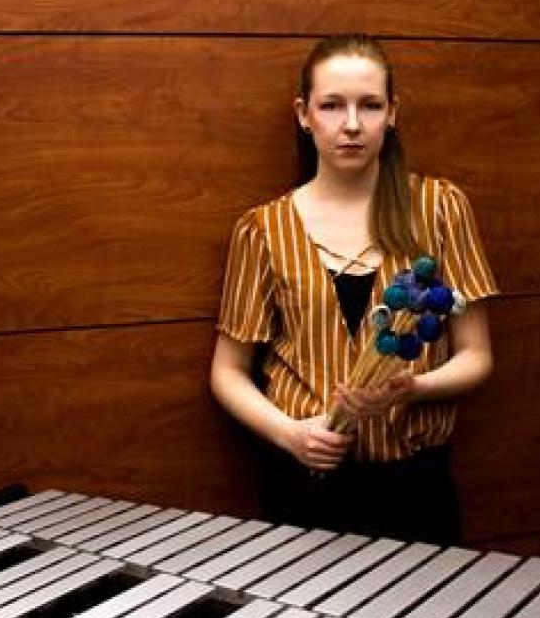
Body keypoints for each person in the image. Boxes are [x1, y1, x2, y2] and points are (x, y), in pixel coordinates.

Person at [210, 34, 497, 546]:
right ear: (303, 114)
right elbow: (227, 373)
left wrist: (415, 388)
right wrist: (292, 436)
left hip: (416, 487)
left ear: (393, 113)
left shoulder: (441, 207)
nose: (350, 124)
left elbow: (477, 356)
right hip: (302, 489)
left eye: (369, 105)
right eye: (331, 105)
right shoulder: (261, 229)